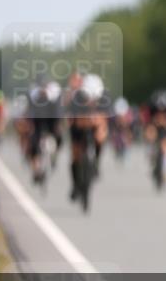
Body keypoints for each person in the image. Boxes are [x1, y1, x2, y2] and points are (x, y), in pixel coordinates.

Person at [66, 73, 109, 202]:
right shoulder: (76, 98)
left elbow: (105, 120)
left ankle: (96, 163)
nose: (91, 101)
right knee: (75, 154)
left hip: (94, 127)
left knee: (101, 137)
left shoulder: (104, 97)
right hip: (78, 127)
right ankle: (75, 184)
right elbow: (70, 119)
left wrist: (99, 129)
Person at [26, 80, 63, 183]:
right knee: (33, 144)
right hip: (38, 125)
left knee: (58, 137)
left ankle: (54, 155)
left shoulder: (53, 99)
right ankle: (36, 170)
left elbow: (57, 115)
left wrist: (57, 126)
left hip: (50, 123)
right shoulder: (35, 99)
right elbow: (31, 115)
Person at [145, 89, 166, 182]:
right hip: (153, 125)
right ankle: (151, 156)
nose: (161, 110)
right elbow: (147, 122)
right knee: (150, 135)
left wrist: (163, 122)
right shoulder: (151, 107)